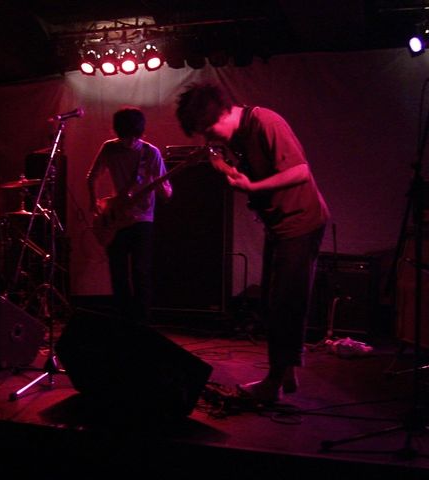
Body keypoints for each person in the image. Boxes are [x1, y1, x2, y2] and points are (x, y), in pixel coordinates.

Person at [176, 82, 330, 403]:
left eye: (208, 131)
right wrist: (225, 168)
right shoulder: (237, 138)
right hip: (280, 225)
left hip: (301, 221)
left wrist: (253, 187)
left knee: (286, 303)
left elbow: (300, 171)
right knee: (274, 303)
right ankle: (286, 374)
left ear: (221, 114)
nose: (209, 138)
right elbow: (247, 177)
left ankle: (274, 384)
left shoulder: (265, 122)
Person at [87, 107, 172, 324]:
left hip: (143, 219)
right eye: (125, 136)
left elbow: (167, 192)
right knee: (118, 272)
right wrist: (93, 203)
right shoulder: (109, 148)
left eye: (133, 136)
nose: (129, 142)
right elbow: (92, 177)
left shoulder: (150, 153)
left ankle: (142, 323)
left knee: (140, 271)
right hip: (116, 217)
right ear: (117, 132)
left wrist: (162, 188)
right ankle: (123, 321)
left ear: (140, 133)